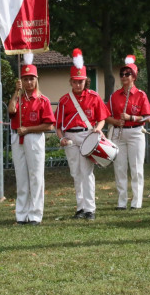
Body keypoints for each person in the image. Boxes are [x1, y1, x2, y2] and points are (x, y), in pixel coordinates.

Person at [55, 49, 110, 220]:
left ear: (86, 81)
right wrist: (61, 138)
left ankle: (90, 209)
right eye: (75, 82)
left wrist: (99, 128)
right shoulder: (64, 100)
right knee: (75, 173)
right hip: (70, 138)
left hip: (88, 135)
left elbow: (102, 118)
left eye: (81, 81)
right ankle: (80, 208)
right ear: (70, 82)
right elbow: (58, 125)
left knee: (87, 173)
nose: (78, 85)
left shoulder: (94, 97)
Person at [7, 53, 55, 225]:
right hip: (17, 138)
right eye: (25, 79)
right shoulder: (18, 98)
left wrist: (28, 129)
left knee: (35, 176)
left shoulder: (43, 100)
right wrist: (15, 92)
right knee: (21, 177)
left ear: (36, 80)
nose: (28, 82)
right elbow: (11, 111)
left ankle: (35, 214)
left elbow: (49, 125)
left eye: (31, 79)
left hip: (34, 138)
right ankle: (21, 214)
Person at [106, 55, 150, 210]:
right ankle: (121, 201)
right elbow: (107, 116)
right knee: (119, 168)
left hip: (135, 132)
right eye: (122, 74)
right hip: (119, 133)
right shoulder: (114, 96)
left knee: (136, 168)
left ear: (134, 77)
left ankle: (136, 202)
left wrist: (130, 117)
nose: (124, 77)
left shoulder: (141, 95)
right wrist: (115, 122)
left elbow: (147, 118)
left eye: (128, 74)